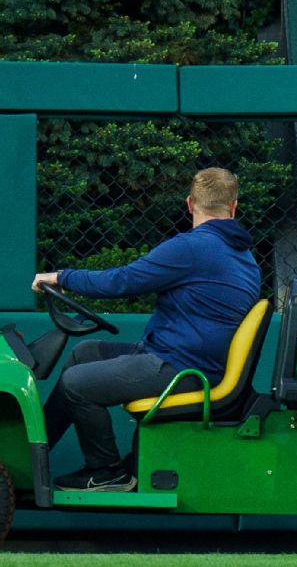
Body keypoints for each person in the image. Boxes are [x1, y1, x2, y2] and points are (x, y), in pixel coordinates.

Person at [33, 168, 260, 491]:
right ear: (234, 207)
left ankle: (107, 471)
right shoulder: (243, 255)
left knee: (75, 383)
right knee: (84, 353)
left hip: (182, 368)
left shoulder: (193, 249)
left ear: (190, 204)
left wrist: (61, 277)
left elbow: (122, 281)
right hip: (187, 359)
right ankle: (32, 458)